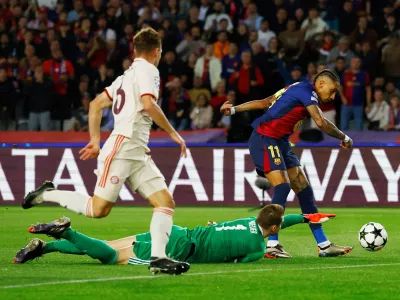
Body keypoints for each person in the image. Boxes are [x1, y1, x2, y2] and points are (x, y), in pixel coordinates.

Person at [21, 27, 189, 275]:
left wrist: (95, 140)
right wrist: (174, 133)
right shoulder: (149, 70)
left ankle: (159, 259)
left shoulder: (124, 77)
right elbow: (148, 104)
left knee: (165, 202)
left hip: (136, 150)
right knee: (98, 210)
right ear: (157, 51)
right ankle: (46, 194)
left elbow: (95, 104)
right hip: (123, 146)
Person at [220, 69, 354, 258]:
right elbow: (321, 122)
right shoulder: (308, 92)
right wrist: (345, 137)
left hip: (280, 141)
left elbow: (265, 103)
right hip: (265, 138)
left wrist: (234, 109)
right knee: (282, 187)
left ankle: (323, 244)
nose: (332, 97)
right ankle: (272, 244)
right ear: (321, 84)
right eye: (332, 91)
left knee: (303, 187)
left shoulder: (296, 87)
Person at [14, 205, 336, 266]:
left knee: (108, 246)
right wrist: (267, 250)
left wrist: (306, 217)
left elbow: (279, 219)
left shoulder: (247, 221)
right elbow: (248, 257)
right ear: (274, 229)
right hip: (181, 249)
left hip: (178, 231)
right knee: (112, 257)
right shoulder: (255, 245)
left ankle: (46, 247)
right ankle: (67, 229)